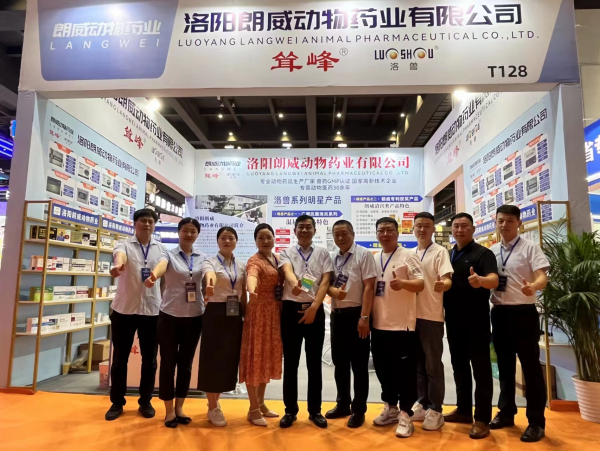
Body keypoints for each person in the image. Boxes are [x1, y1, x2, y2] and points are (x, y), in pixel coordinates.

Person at [489, 205, 549, 443]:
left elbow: (543, 276)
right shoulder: (492, 251)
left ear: (519, 223)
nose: (504, 225)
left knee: (531, 368)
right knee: (504, 368)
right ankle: (506, 413)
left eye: (510, 221)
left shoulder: (530, 247)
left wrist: (534, 286)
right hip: (499, 314)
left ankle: (536, 422)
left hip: (524, 314)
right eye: (501, 221)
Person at [144, 218, 206, 428]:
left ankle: (180, 407)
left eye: (193, 231)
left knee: (186, 365)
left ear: (197, 234)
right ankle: (169, 410)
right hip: (169, 316)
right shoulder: (168, 254)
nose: (189, 235)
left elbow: (208, 277)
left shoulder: (202, 257)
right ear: (179, 232)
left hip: (195, 316)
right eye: (185, 231)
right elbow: (161, 266)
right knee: (168, 364)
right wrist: (154, 276)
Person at [105, 208, 166, 421]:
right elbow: (119, 255)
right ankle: (117, 402)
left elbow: (163, 268)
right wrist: (118, 265)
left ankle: (145, 401)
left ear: (154, 225)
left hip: (152, 311)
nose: (147, 224)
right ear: (135, 223)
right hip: (124, 310)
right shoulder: (124, 244)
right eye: (143, 221)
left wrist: (155, 279)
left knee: (150, 360)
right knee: (120, 359)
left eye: (150, 221)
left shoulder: (161, 249)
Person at [444, 213, 499, 440]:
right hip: (453, 320)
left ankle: (482, 418)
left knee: (481, 369)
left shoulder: (483, 253)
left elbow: (494, 279)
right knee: (459, 367)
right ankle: (464, 410)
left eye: (464, 226)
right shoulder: (448, 254)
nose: (459, 230)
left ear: (473, 229)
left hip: (477, 320)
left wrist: (481, 281)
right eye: (456, 226)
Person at [371, 217, 424, 438]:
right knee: (384, 371)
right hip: (378, 325)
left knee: (405, 374)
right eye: (381, 231)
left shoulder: (408, 256)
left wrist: (403, 284)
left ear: (397, 232)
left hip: (402, 326)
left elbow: (420, 283)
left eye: (389, 230)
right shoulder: (374, 258)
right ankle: (391, 408)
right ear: (376, 234)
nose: (385, 234)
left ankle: (405, 414)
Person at [279, 215, 333, 429]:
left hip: (314, 310)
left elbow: (325, 281)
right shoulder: (286, 252)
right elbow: (287, 272)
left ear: (314, 230)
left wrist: (313, 308)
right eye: (300, 227)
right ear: (295, 230)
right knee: (291, 364)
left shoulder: (323, 253)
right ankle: (290, 411)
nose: (304, 230)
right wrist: (296, 284)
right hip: (291, 311)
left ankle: (315, 411)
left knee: (314, 364)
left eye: (308, 227)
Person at [325, 220, 377, 428]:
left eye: (344, 233)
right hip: (337, 316)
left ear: (353, 234)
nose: (340, 237)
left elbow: (369, 287)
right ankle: (343, 404)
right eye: (336, 234)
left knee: (359, 365)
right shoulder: (332, 257)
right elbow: (325, 285)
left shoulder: (364, 255)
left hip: (357, 315)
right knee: (340, 363)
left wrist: (364, 317)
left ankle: (359, 409)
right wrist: (333, 291)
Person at [198, 226, 246, 427]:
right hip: (215, 312)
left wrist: (246, 314)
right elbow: (210, 275)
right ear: (217, 241)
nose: (227, 241)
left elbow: (243, 290)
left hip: (234, 314)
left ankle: (216, 401)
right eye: (224, 238)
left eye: (231, 238)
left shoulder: (241, 265)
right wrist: (210, 284)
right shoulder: (210, 262)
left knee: (227, 359)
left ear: (236, 241)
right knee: (213, 359)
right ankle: (212, 406)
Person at [411, 212, 453, 431]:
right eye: (418, 225)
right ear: (413, 229)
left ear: (433, 229)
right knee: (418, 364)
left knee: (433, 365)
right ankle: (423, 403)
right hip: (411, 317)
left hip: (431, 316)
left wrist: (443, 285)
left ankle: (436, 409)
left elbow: (447, 279)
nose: (422, 229)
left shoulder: (439, 252)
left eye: (427, 225)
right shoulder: (410, 254)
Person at [239, 223, 283, 427]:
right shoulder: (254, 260)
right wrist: (252, 290)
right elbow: (252, 275)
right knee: (254, 360)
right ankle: (253, 408)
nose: (265, 241)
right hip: (258, 315)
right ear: (255, 241)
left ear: (274, 238)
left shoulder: (277, 259)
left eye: (268, 237)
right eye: (261, 238)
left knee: (265, 358)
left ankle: (261, 403)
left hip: (274, 314)